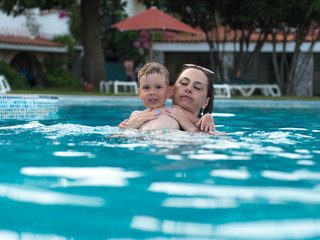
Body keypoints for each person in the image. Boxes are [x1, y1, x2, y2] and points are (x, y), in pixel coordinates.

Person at [118, 63, 215, 132]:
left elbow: (209, 133)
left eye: (197, 87)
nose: (188, 88)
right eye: (184, 83)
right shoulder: (136, 114)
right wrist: (126, 128)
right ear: (171, 92)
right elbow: (117, 136)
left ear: (206, 102)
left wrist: (207, 117)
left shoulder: (178, 111)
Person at [119, 62, 180, 130]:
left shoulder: (176, 111)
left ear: (168, 92)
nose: (152, 92)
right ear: (140, 93)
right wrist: (123, 128)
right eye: (146, 88)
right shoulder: (136, 115)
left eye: (158, 87)